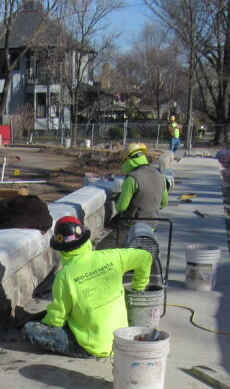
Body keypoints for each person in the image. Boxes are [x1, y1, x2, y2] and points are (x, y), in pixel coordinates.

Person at [24, 216, 153, 358]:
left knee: (30, 329)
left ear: (61, 247)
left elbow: (56, 320)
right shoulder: (112, 256)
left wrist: (44, 323)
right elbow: (145, 256)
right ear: (85, 239)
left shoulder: (64, 277)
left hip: (91, 347)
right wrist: (138, 287)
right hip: (121, 340)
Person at [114, 142, 169, 225]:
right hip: (152, 225)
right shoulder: (161, 176)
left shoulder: (132, 179)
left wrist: (116, 200)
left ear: (128, 161)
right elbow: (164, 203)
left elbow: (122, 206)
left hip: (132, 225)